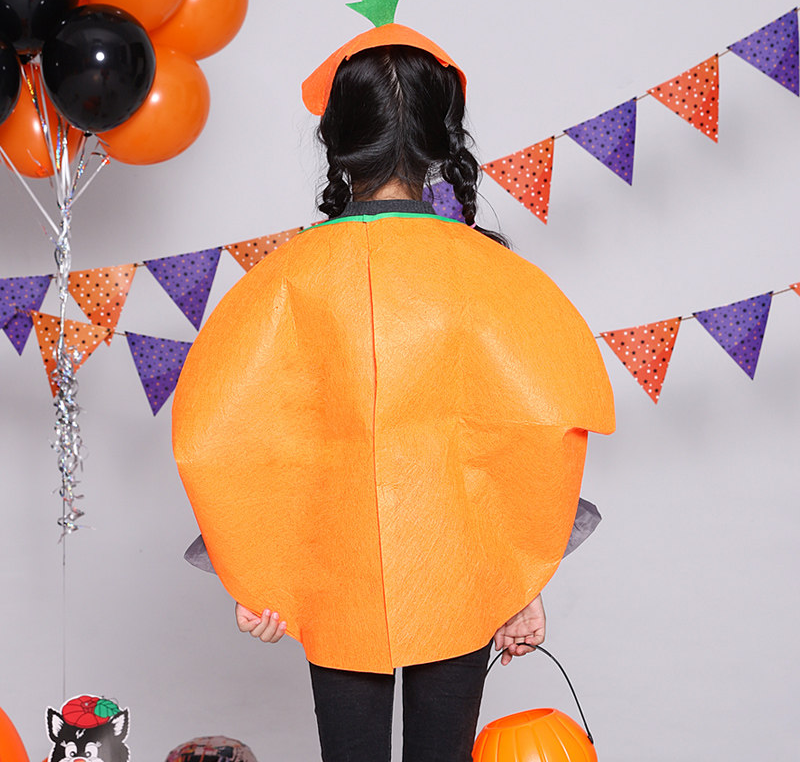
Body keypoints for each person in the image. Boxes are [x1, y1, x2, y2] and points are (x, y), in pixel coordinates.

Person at [175, 42, 612, 761]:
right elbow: (534, 431)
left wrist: (258, 574)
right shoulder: (494, 277)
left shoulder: (283, 281)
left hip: (337, 579)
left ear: (337, 140)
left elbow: (227, 432)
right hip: (459, 572)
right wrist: (517, 578)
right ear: (443, 141)